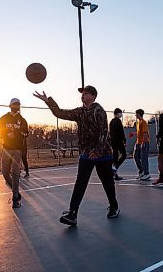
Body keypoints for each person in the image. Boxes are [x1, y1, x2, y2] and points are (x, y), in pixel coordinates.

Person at [33, 85, 119, 226]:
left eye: (85, 93)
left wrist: (97, 150)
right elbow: (60, 113)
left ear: (93, 96)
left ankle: (114, 207)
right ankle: (73, 213)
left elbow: (104, 132)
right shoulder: (79, 112)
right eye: (82, 93)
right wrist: (48, 101)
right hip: (86, 153)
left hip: (102, 154)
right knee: (80, 183)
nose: (82, 95)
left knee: (107, 182)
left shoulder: (99, 111)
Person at [0, 98, 28, 208]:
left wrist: (19, 133)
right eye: (14, 104)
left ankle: (15, 198)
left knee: (15, 173)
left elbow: (26, 133)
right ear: (10, 106)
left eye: (18, 105)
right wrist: (6, 135)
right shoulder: (3, 119)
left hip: (17, 149)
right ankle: (17, 193)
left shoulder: (22, 120)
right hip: (6, 148)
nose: (16, 106)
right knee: (5, 172)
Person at [109, 108, 127, 180]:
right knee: (124, 155)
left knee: (115, 156)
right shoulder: (118, 121)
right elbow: (121, 131)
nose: (121, 114)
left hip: (113, 141)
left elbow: (110, 132)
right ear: (117, 113)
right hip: (118, 141)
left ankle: (114, 174)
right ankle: (115, 167)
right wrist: (124, 140)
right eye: (120, 113)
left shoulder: (111, 121)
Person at [134, 109, 151, 180]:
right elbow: (140, 133)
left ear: (139, 114)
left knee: (144, 158)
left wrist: (143, 143)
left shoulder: (143, 122)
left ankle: (146, 173)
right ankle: (141, 171)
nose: (135, 115)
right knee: (136, 157)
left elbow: (145, 133)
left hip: (144, 142)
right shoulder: (138, 123)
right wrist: (134, 134)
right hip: (138, 143)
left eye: (136, 114)